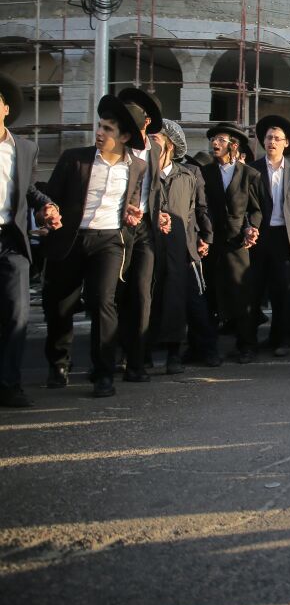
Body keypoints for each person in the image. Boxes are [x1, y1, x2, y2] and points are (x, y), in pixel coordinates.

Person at [42, 95, 146, 398]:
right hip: (72, 239)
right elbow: (49, 196)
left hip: (109, 241)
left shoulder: (137, 166)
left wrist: (131, 212)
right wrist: (48, 212)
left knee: (104, 302)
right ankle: (58, 363)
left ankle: (103, 373)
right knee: (60, 305)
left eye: (108, 129)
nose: (100, 133)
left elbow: (132, 200)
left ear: (124, 136)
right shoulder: (74, 158)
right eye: (99, 126)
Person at [0, 73, 59, 407]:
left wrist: (47, 205)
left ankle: (9, 383)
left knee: (17, 316)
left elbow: (31, 189)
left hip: (11, 240)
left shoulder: (24, 148)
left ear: (6, 109)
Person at [148, 119, 212, 374]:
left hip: (179, 247)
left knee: (177, 300)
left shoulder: (188, 174)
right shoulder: (141, 172)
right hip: (148, 245)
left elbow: (199, 208)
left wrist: (205, 236)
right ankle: (139, 353)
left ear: (170, 146)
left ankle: (174, 353)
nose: (150, 145)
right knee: (146, 300)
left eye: (156, 140)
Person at [200, 124, 263, 363]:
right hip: (211, 242)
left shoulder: (250, 175)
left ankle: (247, 345)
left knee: (241, 295)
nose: (215, 143)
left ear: (233, 145)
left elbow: (257, 210)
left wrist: (252, 227)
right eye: (213, 139)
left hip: (238, 244)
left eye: (220, 139)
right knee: (209, 296)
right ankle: (207, 348)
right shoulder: (204, 173)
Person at [117, 88, 165, 382]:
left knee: (142, 294)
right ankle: (111, 356)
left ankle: (137, 359)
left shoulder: (155, 149)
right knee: (114, 294)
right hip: (117, 227)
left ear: (145, 120)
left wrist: (157, 212)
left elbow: (156, 187)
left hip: (145, 229)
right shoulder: (117, 145)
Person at [249, 115, 290, 357]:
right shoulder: (253, 169)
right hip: (260, 236)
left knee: (285, 290)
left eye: (277, 138)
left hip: (286, 237)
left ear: (286, 144)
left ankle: (286, 339)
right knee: (256, 289)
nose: (272, 141)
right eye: (269, 138)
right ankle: (256, 340)